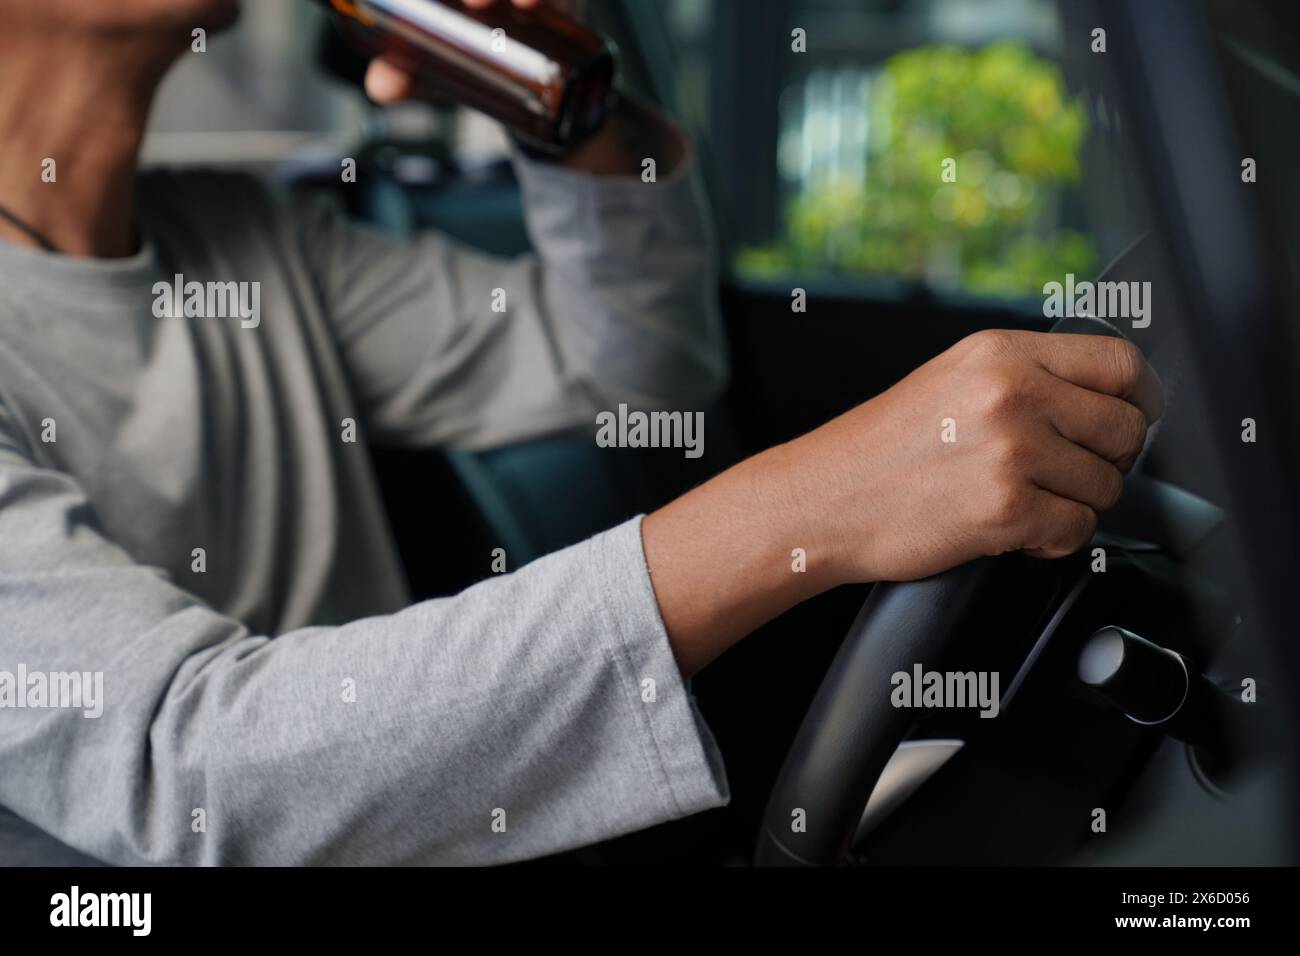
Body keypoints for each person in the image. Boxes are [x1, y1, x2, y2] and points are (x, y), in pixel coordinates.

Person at [0, 0, 1162, 865]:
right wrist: (812, 508)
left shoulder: (246, 241)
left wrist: (573, 115)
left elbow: (630, 371)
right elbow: (186, 769)